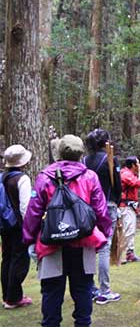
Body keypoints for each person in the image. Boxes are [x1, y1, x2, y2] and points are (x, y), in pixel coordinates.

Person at [23, 135, 112, 327]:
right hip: (84, 242)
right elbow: (101, 210)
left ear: (60, 152)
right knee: (83, 290)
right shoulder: (90, 177)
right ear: (81, 153)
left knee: (52, 291)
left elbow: (34, 211)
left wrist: (29, 239)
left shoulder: (45, 177)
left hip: (52, 243)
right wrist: (105, 232)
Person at [84, 129, 122, 305]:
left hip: (88, 206)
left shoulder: (85, 160)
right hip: (107, 205)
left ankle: (90, 287)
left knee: (90, 246)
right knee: (104, 246)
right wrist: (117, 200)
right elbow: (117, 184)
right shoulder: (109, 159)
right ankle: (105, 290)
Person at [1, 145, 33, 309]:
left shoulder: (2, 177)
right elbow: (25, 207)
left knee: (7, 258)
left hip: (4, 224)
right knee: (19, 259)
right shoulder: (22, 179)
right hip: (18, 225)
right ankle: (14, 298)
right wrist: (29, 226)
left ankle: (7, 295)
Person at [120, 156, 140, 262]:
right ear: (133, 165)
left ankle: (129, 253)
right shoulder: (126, 174)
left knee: (129, 229)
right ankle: (125, 254)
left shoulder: (127, 174)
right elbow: (139, 183)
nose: (139, 166)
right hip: (126, 207)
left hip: (129, 206)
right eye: (137, 163)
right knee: (128, 230)